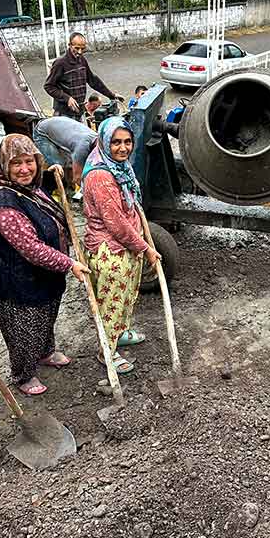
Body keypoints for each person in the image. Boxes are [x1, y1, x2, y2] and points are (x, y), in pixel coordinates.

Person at [0, 134, 90, 396]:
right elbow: (30, 247)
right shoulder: (1, 199)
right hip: (18, 278)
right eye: (16, 163)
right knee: (24, 326)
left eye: (29, 161)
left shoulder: (31, 187)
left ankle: (45, 352)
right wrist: (68, 263)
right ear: (4, 165)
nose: (24, 169)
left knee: (46, 315)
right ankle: (23, 373)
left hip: (44, 274)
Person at [81, 117, 161, 374]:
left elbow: (129, 207)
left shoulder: (120, 167)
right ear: (104, 142)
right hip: (110, 251)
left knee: (125, 297)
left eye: (127, 142)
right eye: (116, 142)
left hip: (126, 246)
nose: (123, 148)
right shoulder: (101, 176)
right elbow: (115, 223)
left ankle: (120, 333)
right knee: (111, 304)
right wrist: (146, 247)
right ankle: (107, 352)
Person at [43, 32, 123, 120]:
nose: (80, 52)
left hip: (79, 112)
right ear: (70, 45)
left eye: (82, 49)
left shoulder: (82, 60)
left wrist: (112, 95)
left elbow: (93, 81)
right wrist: (67, 98)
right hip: (64, 114)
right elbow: (48, 86)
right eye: (76, 48)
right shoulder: (60, 63)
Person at [33, 116, 98, 190]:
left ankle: (70, 187)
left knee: (70, 162)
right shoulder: (82, 147)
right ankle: (56, 190)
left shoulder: (97, 137)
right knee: (58, 166)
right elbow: (77, 177)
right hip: (42, 132)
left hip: (57, 126)